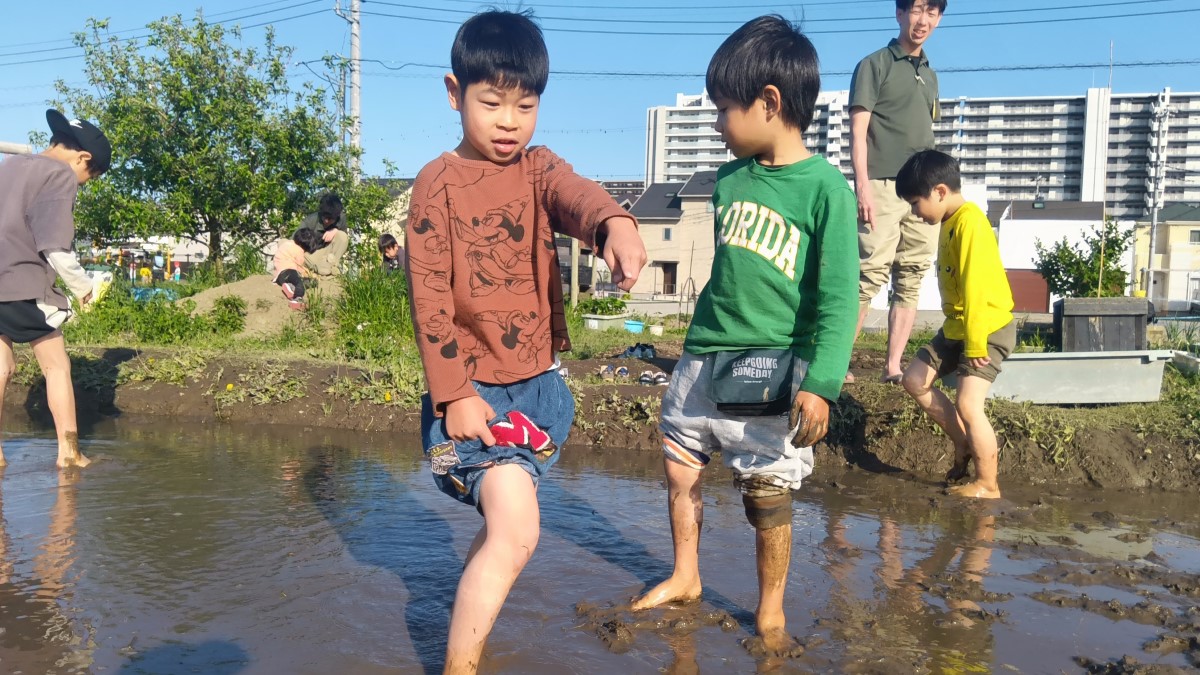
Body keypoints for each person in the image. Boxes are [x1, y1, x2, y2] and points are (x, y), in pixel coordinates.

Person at [405, 11, 646, 673]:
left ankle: (463, 634)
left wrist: (615, 224)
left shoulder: (539, 169)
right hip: (472, 397)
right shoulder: (437, 182)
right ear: (454, 93)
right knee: (518, 533)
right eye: (491, 103)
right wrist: (453, 393)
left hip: (538, 396)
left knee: (503, 535)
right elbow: (429, 299)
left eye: (526, 105)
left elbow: (577, 196)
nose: (509, 121)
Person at [631, 16, 858, 658]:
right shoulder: (728, 182)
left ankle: (770, 611)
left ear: (769, 102)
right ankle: (686, 574)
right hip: (704, 356)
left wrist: (822, 384)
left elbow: (839, 298)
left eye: (724, 109)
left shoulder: (826, 191)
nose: (717, 123)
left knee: (768, 492)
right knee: (679, 463)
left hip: (776, 364)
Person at [896, 150, 1015, 500]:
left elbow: (976, 288)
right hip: (958, 327)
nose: (914, 212)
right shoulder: (950, 221)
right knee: (914, 379)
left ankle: (988, 484)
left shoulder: (970, 223)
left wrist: (976, 345)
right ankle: (963, 441)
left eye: (915, 203)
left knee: (968, 405)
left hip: (986, 328)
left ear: (940, 192)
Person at [0, 109, 113, 469]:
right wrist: (83, 287)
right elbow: (54, 246)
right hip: (22, 281)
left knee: (1, 367)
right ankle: (70, 453)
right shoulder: (60, 175)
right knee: (56, 366)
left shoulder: (9, 166)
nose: (83, 184)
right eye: (89, 177)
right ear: (83, 158)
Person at [848, 0, 947, 383]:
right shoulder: (874, 64)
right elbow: (858, 131)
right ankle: (835, 364)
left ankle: (893, 366)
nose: (923, 20)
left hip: (923, 189)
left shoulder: (930, 74)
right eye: (917, 9)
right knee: (868, 274)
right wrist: (862, 186)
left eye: (932, 12)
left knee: (912, 274)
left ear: (939, 17)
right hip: (881, 185)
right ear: (900, 13)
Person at [297, 192, 349, 276]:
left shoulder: (341, 218)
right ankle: (319, 269)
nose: (326, 221)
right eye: (324, 217)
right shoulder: (310, 221)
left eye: (330, 219)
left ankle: (330, 267)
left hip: (328, 256)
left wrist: (335, 230)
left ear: (337, 216)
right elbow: (294, 241)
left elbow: (343, 242)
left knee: (342, 236)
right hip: (309, 255)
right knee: (283, 242)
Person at [273, 227, 321, 310]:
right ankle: (297, 299)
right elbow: (300, 269)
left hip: (280, 277)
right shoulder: (299, 251)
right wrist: (311, 274)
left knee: (299, 281)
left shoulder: (287, 244)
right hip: (289, 271)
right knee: (301, 282)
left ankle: (290, 288)